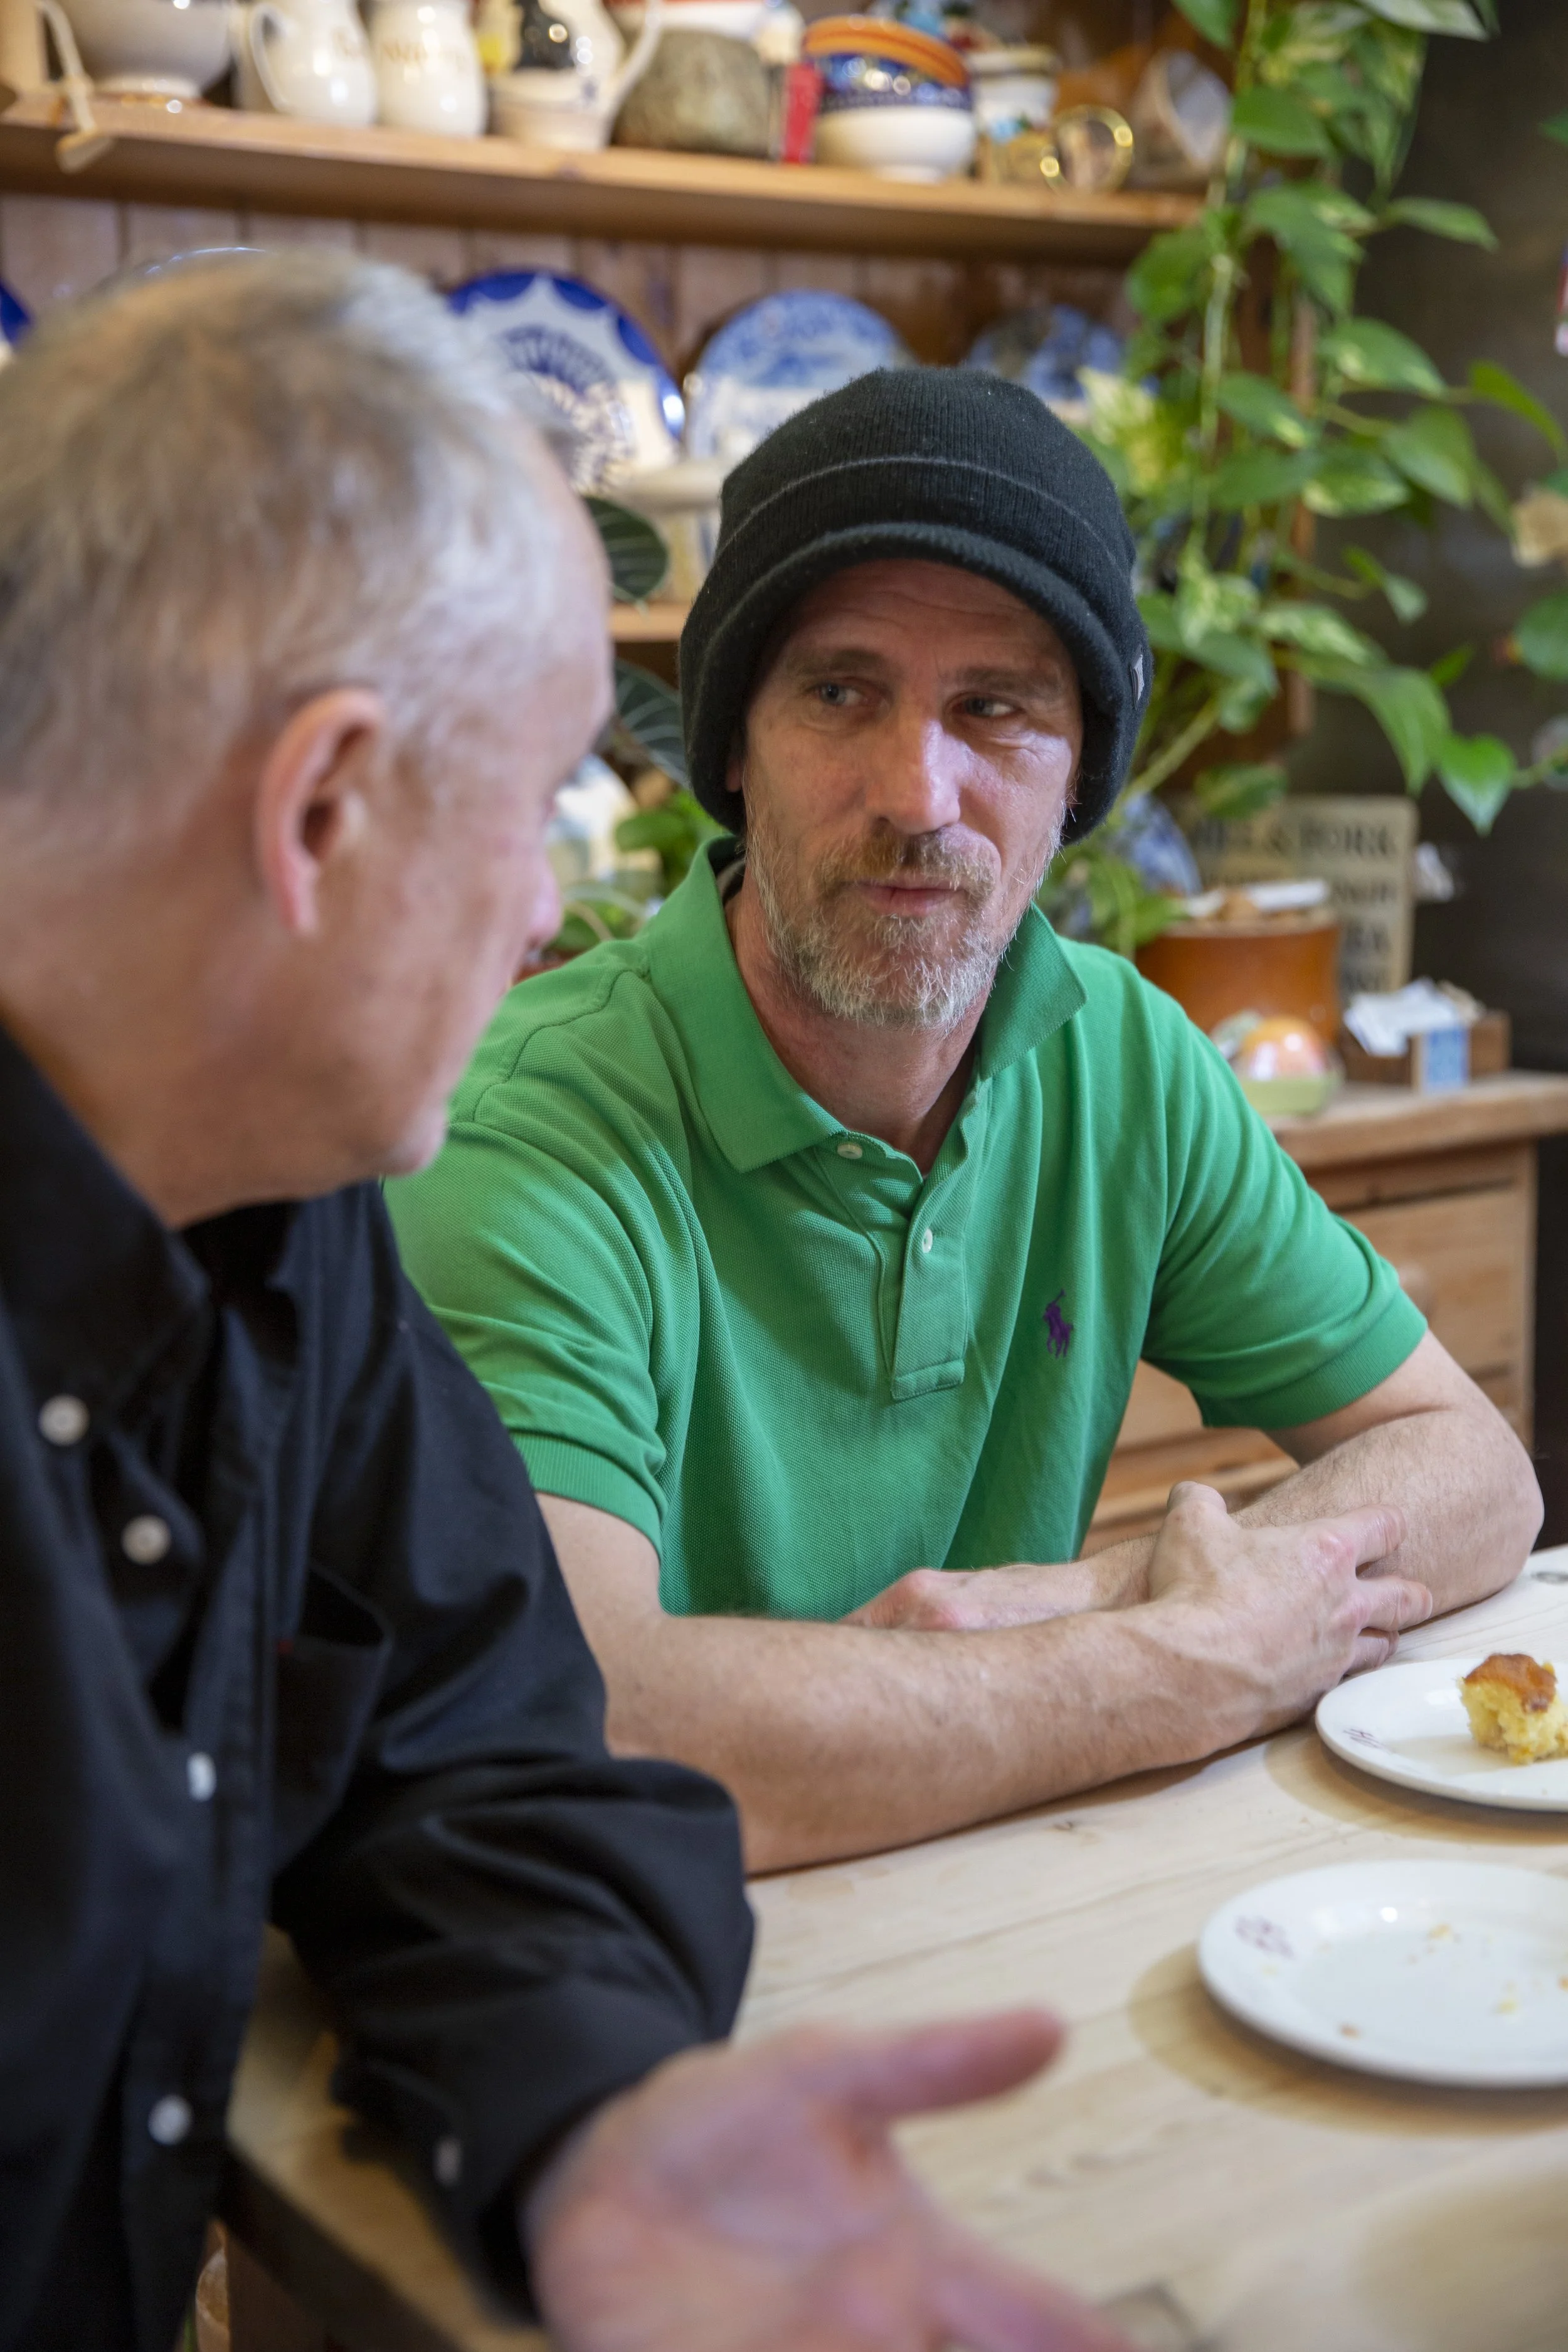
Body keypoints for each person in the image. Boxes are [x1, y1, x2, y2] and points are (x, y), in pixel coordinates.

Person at [0, 252, 1130, 2352]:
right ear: (319, 811)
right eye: (533, 811)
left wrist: (596, 2126)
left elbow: (486, 1758)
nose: (549, 908)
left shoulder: (278, 1198)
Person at [390, 367, 1544, 1877]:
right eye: (841, 693)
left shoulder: (1120, 1056)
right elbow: (584, 1715)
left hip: (1019, 1894)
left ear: (1078, 778)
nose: (916, 791)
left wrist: (1076, 1599)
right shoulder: (527, 1123)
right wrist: (1170, 1664)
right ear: (730, 748)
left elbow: (1472, 1473)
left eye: (993, 708)